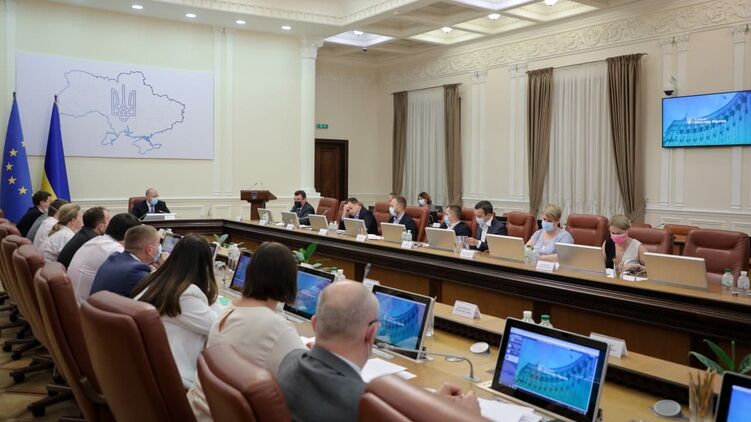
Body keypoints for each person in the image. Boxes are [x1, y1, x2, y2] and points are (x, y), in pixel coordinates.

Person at [277, 281, 480, 422]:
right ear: (371, 333)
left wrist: (433, 403)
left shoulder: (289, 361)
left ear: (314, 324)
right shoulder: (368, 406)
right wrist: (463, 417)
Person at [188, 242, 305, 421]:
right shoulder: (276, 326)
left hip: (199, 411)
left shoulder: (229, 310)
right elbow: (306, 378)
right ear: (289, 280)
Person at [132, 235, 222, 389]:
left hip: (144, 369)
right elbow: (218, 327)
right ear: (205, 266)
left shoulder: (155, 279)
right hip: (173, 378)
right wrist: (212, 290)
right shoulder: (186, 294)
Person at [69, 213, 140, 305]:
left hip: (74, 301)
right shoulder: (116, 250)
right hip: (86, 306)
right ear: (133, 236)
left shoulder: (96, 240)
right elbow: (134, 275)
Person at [90, 225, 161, 298]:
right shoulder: (135, 271)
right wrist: (164, 267)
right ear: (149, 250)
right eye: (159, 243)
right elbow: (160, 293)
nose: (159, 246)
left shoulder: (115, 257)